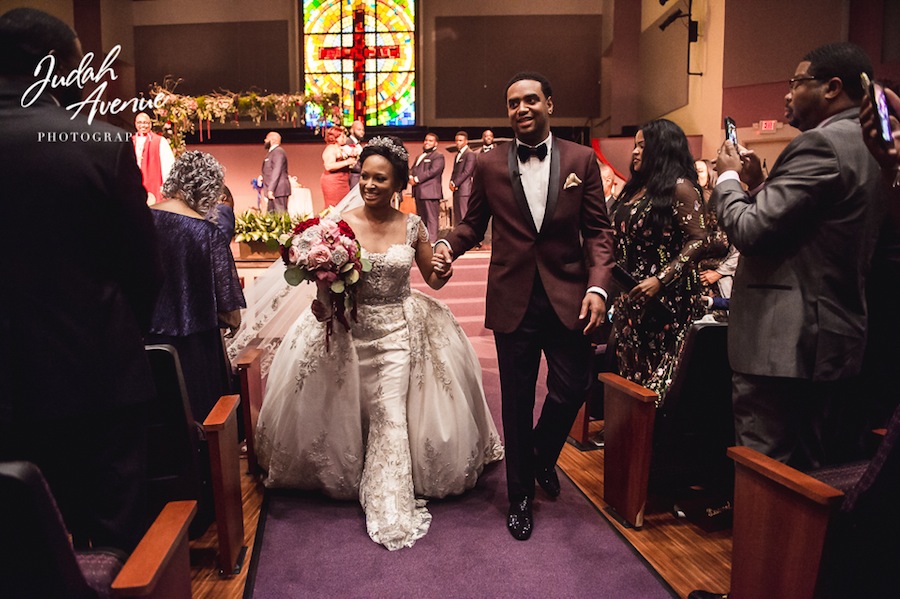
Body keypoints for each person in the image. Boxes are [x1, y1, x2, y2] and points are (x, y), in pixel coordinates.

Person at [256, 136, 503, 551]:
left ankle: (389, 497)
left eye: (379, 179)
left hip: (399, 331)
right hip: (350, 327)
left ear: (398, 185)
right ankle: (347, 471)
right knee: (346, 406)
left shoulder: (412, 225)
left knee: (389, 411)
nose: (369, 184)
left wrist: (444, 265)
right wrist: (324, 297)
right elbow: (325, 283)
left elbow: (435, 278)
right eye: (365, 176)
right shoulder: (339, 225)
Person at [0, 7, 162, 553]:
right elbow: (145, 268)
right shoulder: (94, 143)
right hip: (93, 375)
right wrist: (115, 332)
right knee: (114, 543)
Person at [434, 72, 615, 541]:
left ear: (549, 104)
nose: (522, 108)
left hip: (569, 296)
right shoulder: (490, 164)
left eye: (531, 99)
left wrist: (597, 286)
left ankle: (540, 456)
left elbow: (598, 231)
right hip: (513, 297)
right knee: (514, 402)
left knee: (573, 386)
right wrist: (448, 247)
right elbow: (472, 225)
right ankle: (519, 497)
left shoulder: (581, 160)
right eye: (513, 102)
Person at [713, 42, 884, 470]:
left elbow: (751, 232)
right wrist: (757, 189)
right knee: (808, 476)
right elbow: (804, 227)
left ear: (832, 87)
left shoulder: (820, 144)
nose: (787, 94)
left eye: (796, 83)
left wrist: (729, 180)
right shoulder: (869, 143)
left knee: (766, 477)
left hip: (785, 343)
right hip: (830, 334)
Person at [611, 119, 706, 402]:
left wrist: (661, 279)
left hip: (668, 302)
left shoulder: (681, 188)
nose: (636, 152)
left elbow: (699, 239)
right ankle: (632, 440)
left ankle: (654, 442)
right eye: (635, 146)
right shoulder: (635, 189)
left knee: (659, 383)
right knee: (630, 373)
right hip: (631, 298)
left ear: (662, 148)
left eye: (643, 145)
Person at [146, 151, 246, 420]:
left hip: (143, 344)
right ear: (207, 190)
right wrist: (233, 321)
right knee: (201, 421)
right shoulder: (206, 233)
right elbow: (228, 307)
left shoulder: (140, 219)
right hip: (194, 351)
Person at [695, 158, 738, 302]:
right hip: (692, 284)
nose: (695, 175)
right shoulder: (686, 204)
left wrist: (719, 273)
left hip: (719, 282)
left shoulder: (721, 203)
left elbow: (739, 249)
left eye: (700, 171)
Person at [409, 131, 445, 241]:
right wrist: (410, 176)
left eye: (430, 141)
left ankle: (432, 242)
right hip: (419, 192)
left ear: (436, 143)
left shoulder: (438, 156)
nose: (427, 142)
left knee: (432, 219)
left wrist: (416, 179)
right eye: (426, 140)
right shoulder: (420, 156)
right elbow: (413, 169)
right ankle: (423, 242)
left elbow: (433, 171)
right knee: (421, 219)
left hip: (430, 192)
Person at [133, 111, 175, 203]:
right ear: (135, 124)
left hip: (154, 184)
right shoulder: (131, 141)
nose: (143, 125)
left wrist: (166, 186)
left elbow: (168, 165)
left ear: (150, 124)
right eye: (140, 123)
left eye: (145, 123)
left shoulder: (160, 141)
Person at [320, 126, 356, 208]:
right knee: (334, 206)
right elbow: (328, 166)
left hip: (343, 181)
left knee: (344, 205)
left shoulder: (340, 149)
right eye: (342, 136)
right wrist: (347, 162)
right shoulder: (331, 149)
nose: (345, 138)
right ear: (335, 138)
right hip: (333, 182)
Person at [449, 130, 476, 225]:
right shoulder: (457, 154)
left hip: (464, 190)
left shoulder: (470, 153)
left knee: (463, 215)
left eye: (460, 140)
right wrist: (451, 182)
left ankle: (466, 238)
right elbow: (455, 171)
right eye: (456, 140)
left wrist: (455, 183)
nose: (457, 143)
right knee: (457, 216)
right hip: (456, 190)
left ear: (466, 141)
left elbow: (467, 171)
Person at [260, 131, 290, 213]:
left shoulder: (278, 151)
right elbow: (270, 169)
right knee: (272, 217)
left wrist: (271, 190)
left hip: (278, 190)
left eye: (266, 139)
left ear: (272, 140)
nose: (265, 141)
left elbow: (277, 170)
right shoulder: (271, 153)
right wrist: (262, 176)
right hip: (274, 190)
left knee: (280, 216)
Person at [345, 118, 365, 189]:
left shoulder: (358, 143)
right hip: (353, 176)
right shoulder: (348, 142)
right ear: (352, 130)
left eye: (363, 130)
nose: (362, 132)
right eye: (359, 130)